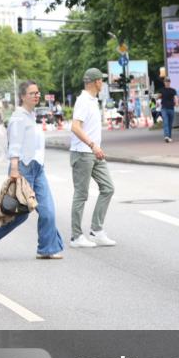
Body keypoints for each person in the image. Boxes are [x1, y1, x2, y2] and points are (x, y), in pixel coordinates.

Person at [0, 81, 65, 260]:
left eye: (38, 93)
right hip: (23, 168)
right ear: (23, 96)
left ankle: (47, 248)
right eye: (32, 93)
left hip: (38, 168)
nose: (36, 95)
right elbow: (14, 144)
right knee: (19, 215)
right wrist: (15, 169)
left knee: (48, 210)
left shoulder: (31, 116)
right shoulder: (18, 117)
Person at [69, 68, 116, 249]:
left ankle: (96, 230)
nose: (102, 83)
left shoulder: (93, 101)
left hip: (94, 153)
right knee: (81, 194)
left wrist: (95, 147)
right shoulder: (83, 101)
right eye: (101, 81)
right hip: (83, 153)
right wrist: (92, 145)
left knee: (108, 188)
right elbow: (75, 127)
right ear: (96, 82)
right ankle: (76, 236)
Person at [158, 78, 177, 142]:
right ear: (164, 82)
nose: (167, 82)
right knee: (165, 122)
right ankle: (166, 136)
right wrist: (158, 96)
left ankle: (169, 136)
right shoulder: (161, 90)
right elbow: (159, 96)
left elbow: (175, 97)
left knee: (170, 124)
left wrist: (177, 102)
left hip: (171, 108)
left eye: (168, 81)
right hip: (164, 108)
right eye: (166, 81)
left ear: (170, 82)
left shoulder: (173, 90)